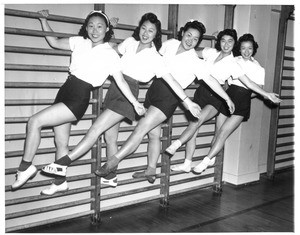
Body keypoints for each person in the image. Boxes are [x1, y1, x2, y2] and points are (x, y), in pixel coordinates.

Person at [11, 9, 145, 192]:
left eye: (100, 27)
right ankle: (60, 182)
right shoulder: (79, 42)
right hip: (64, 91)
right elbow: (54, 42)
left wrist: (135, 102)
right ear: (86, 28)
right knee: (61, 142)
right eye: (91, 26)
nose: (94, 30)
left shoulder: (110, 53)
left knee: (35, 121)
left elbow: (121, 81)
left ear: (107, 29)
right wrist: (43, 20)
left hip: (78, 98)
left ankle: (25, 167)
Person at [94, 21, 235, 183]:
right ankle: (151, 170)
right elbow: (149, 53)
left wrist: (226, 97)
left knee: (140, 129)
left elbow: (210, 80)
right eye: (188, 35)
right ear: (182, 33)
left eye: (195, 39)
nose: (190, 40)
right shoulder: (170, 44)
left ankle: (112, 162)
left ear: (198, 42)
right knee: (154, 134)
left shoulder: (196, 61)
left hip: (170, 98)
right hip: (154, 90)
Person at [40, 12, 166, 193]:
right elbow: (110, 50)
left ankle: (62, 163)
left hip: (127, 92)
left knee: (95, 129)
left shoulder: (155, 57)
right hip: (115, 89)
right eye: (144, 29)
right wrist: (110, 29)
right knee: (110, 137)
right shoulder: (130, 42)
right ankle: (111, 176)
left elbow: (167, 78)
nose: (146, 33)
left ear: (156, 34)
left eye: (151, 31)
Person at [166, 30, 282, 174]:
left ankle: (198, 155)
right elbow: (192, 51)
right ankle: (188, 162)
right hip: (213, 93)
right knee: (198, 127)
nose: (246, 51)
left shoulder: (242, 64)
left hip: (228, 97)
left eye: (249, 48)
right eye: (223, 41)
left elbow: (251, 84)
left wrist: (266, 95)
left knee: (214, 129)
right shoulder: (220, 55)